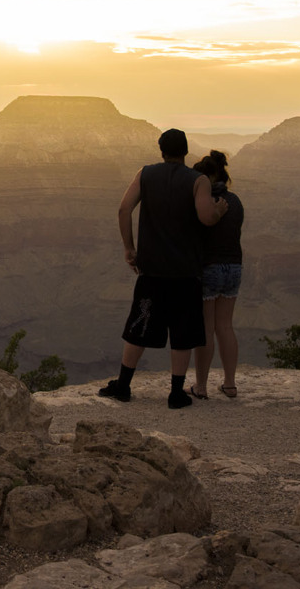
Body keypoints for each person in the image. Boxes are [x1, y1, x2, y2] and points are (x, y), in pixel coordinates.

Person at [99, 129, 228, 409]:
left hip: (152, 270)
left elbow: (123, 210)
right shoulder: (198, 181)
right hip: (185, 272)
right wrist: (220, 210)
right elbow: (206, 218)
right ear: (185, 151)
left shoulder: (144, 174)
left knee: (139, 325)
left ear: (161, 151)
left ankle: (123, 386)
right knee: (182, 332)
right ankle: (175, 393)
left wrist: (129, 248)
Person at [189, 151, 244, 400]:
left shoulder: (203, 203)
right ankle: (230, 384)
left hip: (209, 269)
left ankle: (201, 386)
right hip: (233, 267)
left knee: (206, 327)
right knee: (225, 326)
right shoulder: (236, 201)